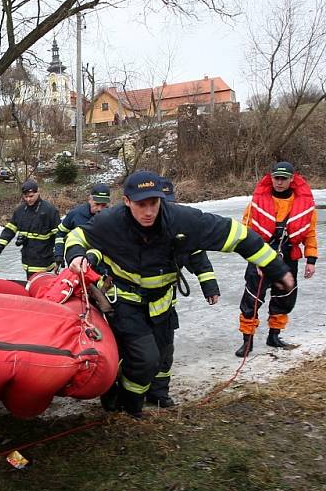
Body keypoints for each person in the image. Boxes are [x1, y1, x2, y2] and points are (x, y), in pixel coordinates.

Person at [65, 170, 294, 418]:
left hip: (162, 303)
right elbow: (77, 236)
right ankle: (129, 405)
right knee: (145, 358)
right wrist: (76, 255)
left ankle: (156, 393)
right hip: (127, 304)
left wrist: (278, 269)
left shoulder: (181, 220)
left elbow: (237, 236)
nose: (149, 212)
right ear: (127, 201)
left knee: (163, 356)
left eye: (154, 203)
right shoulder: (110, 221)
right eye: (141, 205)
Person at [146, 178, 220, 408]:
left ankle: (158, 393)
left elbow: (198, 258)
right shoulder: (133, 229)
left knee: (164, 350)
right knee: (133, 352)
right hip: (132, 306)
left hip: (165, 304)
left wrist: (210, 286)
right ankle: (128, 394)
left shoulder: (182, 230)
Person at [235, 161, 318, 357]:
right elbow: (246, 230)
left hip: (289, 256)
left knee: (284, 297)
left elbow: (310, 233)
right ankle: (248, 341)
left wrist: (311, 260)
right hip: (261, 254)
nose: (279, 182)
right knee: (252, 297)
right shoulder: (256, 203)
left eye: (284, 179)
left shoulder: (304, 205)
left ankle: (274, 335)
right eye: (276, 178)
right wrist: (252, 257)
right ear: (271, 178)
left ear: (292, 179)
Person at [0, 179, 61, 277]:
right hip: (27, 261)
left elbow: (59, 235)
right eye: (25, 197)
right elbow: (9, 230)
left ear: (38, 193)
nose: (28, 199)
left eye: (31, 196)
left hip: (45, 261)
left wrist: (59, 257)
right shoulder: (20, 211)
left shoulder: (49, 210)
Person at [55, 183, 111, 266]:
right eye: (97, 204)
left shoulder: (112, 217)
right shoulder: (75, 214)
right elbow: (60, 233)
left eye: (103, 205)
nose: (100, 209)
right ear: (90, 200)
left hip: (102, 266)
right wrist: (59, 255)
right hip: (78, 263)